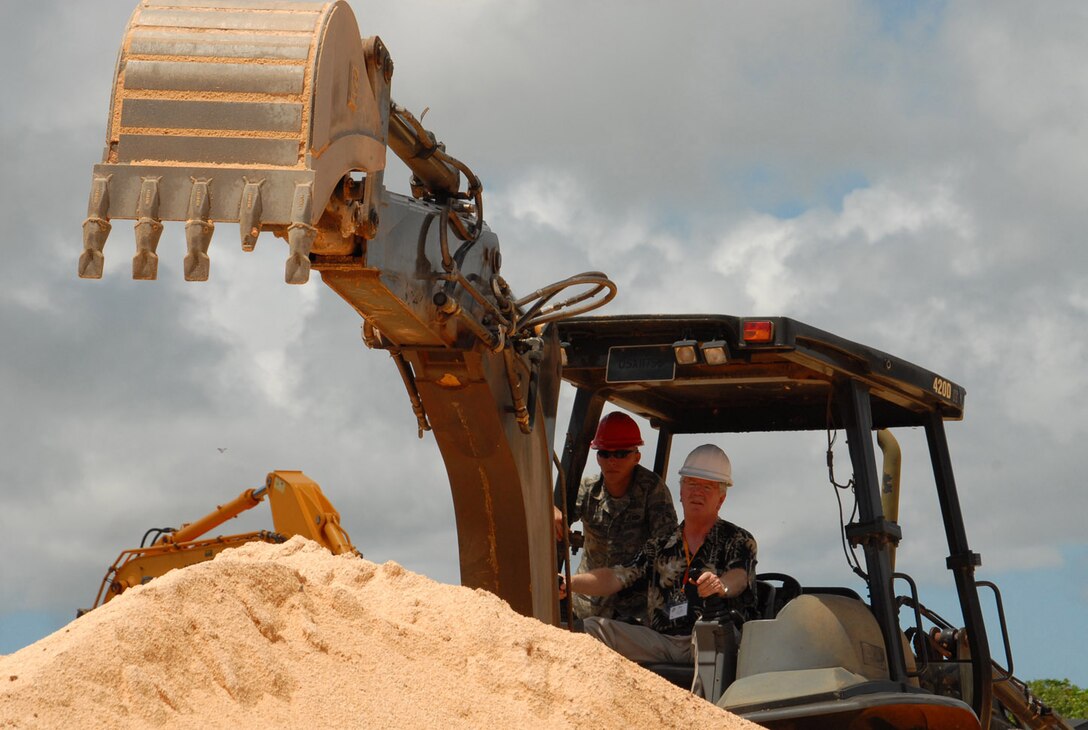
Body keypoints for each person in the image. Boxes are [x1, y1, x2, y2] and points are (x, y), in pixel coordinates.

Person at [559, 444, 757, 665]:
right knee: (592, 628)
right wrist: (569, 582)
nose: (697, 492)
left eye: (708, 487)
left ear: (721, 499)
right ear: (680, 492)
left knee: (710, 640)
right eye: (691, 483)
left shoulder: (737, 538)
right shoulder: (660, 544)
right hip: (662, 641)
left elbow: (739, 576)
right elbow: (617, 577)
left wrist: (720, 585)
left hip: (711, 639)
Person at [554, 411, 677, 622]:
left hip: (635, 614)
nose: (612, 460)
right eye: (605, 453)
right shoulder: (588, 489)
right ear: (597, 457)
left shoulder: (652, 490)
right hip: (585, 606)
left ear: (636, 457)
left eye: (621, 454)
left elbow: (666, 547)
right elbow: (551, 518)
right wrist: (551, 510)